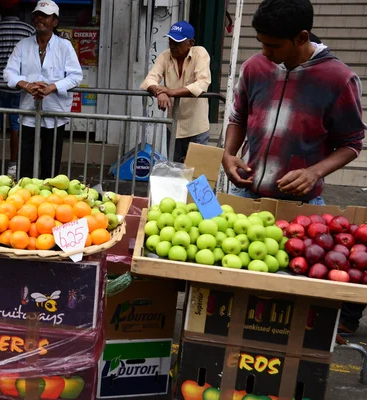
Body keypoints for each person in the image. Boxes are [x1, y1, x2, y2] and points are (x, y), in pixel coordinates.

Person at [221, 0, 364, 333]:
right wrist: (228, 154)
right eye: (261, 43)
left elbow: (352, 144)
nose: (265, 52)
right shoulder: (255, 67)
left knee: (285, 314)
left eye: (273, 45)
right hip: (245, 198)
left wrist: (315, 172)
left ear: (301, 37)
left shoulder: (339, 79)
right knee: (236, 304)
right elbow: (237, 117)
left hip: (299, 212)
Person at [4, 0, 82, 179]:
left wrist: (52, 87)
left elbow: (75, 76)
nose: (40, 19)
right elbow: (9, 73)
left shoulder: (64, 46)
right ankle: (26, 199)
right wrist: (27, 85)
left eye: (45, 16)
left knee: (50, 162)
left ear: (55, 22)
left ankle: (49, 200)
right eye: (37, 15)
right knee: (25, 162)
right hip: (28, 112)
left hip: (55, 111)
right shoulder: (23, 45)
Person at [141, 21, 212, 163]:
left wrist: (171, 92)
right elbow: (150, 80)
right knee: (175, 171)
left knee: (197, 173)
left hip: (196, 126)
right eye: (170, 41)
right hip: (174, 125)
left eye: (177, 42)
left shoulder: (200, 53)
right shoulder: (165, 56)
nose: (172, 45)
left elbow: (202, 83)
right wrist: (159, 92)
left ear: (190, 43)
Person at [0, 0, 35, 177]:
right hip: (19, 86)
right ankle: (13, 165)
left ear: (1, 9)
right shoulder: (29, 31)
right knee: (16, 126)